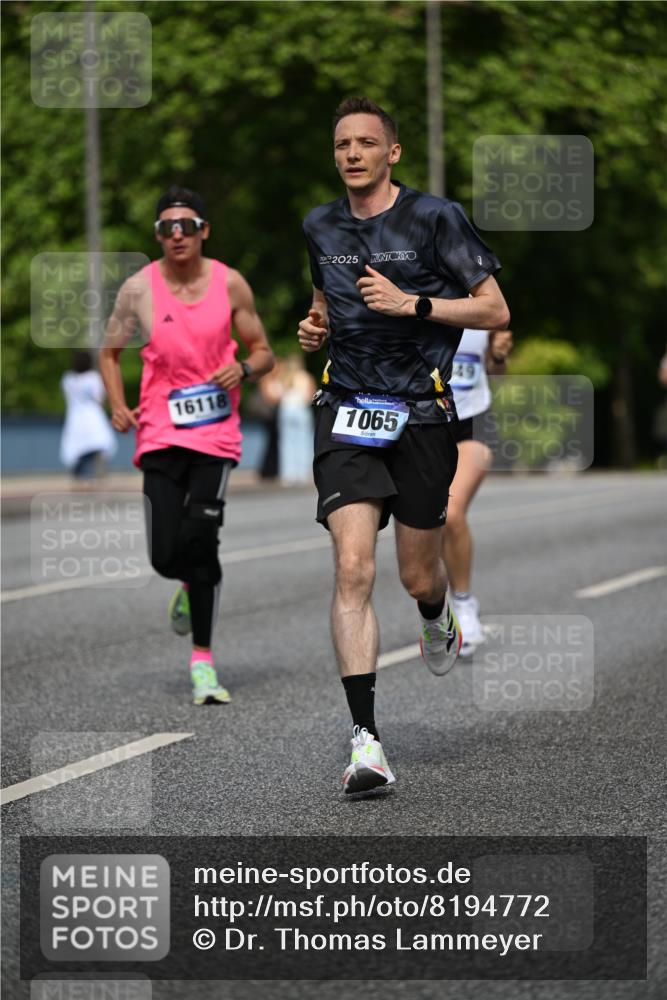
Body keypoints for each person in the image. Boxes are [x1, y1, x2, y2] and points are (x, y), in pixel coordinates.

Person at [298, 97, 509, 793]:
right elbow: (325, 300)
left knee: (416, 575)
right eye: (341, 145)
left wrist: (413, 304)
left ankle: (433, 611)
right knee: (352, 569)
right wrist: (314, 329)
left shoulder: (434, 218)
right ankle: (364, 742)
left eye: (365, 143)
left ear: (392, 152)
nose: (351, 153)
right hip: (345, 410)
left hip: (420, 414)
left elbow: (493, 308)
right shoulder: (319, 224)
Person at [100, 186, 274, 705]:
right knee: (162, 553)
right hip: (158, 428)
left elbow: (265, 353)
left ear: (203, 231)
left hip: (214, 433)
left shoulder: (231, 284)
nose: (176, 235)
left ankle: (203, 661)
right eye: (166, 228)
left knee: (202, 536)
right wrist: (116, 404)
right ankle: (185, 585)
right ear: (158, 236)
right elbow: (109, 353)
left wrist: (242, 367)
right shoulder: (137, 289)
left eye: (186, 225)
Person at [444, 327, 513, 655]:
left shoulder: (483, 301)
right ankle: (433, 604)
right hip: (424, 422)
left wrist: (498, 355)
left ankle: (463, 602)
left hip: (473, 422)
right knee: (421, 524)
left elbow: (496, 374)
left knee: (451, 512)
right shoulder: (414, 293)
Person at [59, 350, 116, 485]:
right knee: (95, 445)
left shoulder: (68, 379)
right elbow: (100, 398)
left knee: (80, 447)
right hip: (92, 416)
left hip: (74, 417)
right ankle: (86, 475)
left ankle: (82, 474)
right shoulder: (93, 377)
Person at [278, 355, 316, 484]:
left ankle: (288, 474)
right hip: (301, 409)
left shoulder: (284, 377)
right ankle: (302, 473)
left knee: (287, 443)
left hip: (286, 410)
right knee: (304, 441)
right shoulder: (306, 377)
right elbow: (312, 396)